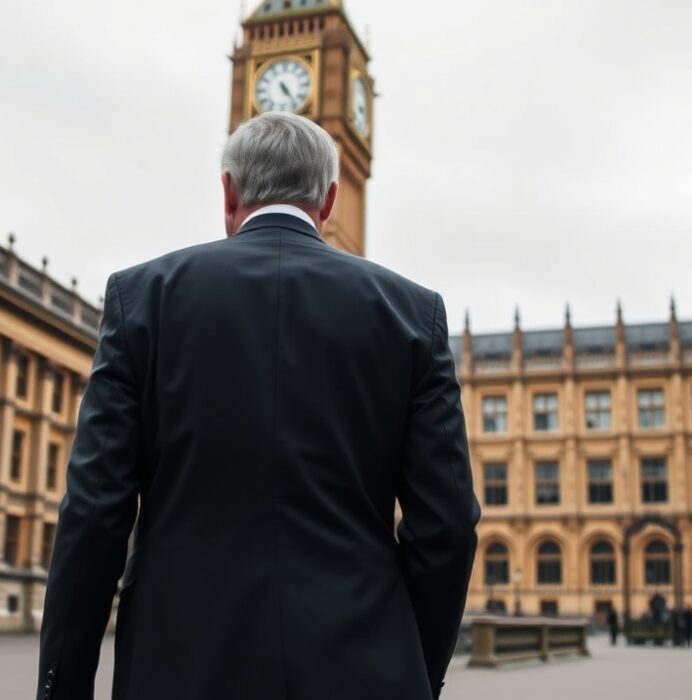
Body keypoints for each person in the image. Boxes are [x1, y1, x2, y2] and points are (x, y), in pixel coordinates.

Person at [36, 111, 481, 700]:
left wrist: (61, 688)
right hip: (364, 669)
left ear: (228, 191)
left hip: (178, 669)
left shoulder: (140, 300)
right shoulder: (413, 316)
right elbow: (447, 527)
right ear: (329, 200)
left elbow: (94, 515)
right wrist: (409, 667)